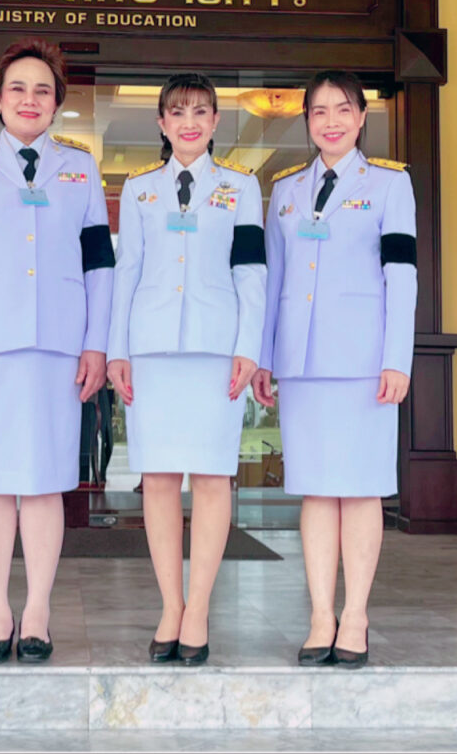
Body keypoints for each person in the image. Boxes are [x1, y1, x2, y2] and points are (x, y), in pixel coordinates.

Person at [0, 37, 114, 664]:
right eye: (17, 89)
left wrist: (97, 343)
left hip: (59, 346)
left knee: (45, 480)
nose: (29, 99)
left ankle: (37, 608)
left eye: (42, 90)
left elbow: (99, 265)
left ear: (58, 102)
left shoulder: (80, 167)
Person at [253, 70, 417, 669]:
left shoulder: (389, 185)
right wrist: (266, 357)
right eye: (318, 111)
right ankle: (321, 613)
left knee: (361, 488)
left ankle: (356, 615)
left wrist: (397, 358)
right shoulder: (287, 190)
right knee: (317, 490)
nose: (330, 121)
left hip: (363, 362)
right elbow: (273, 280)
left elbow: (402, 275)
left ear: (362, 116)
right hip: (300, 362)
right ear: (306, 120)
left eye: (341, 109)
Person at [107, 73, 266, 665]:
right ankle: (169, 604)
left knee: (212, 477)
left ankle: (198, 607)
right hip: (150, 350)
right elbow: (126, 272)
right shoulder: (141, 187)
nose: (189, 121)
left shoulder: (241, 187)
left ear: (217, 121)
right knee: (158, 480)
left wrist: (250, 347)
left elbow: (251, 270)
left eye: (201, 111)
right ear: (161, 123)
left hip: (214, 350)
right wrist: (117, 348)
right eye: (178, 112)